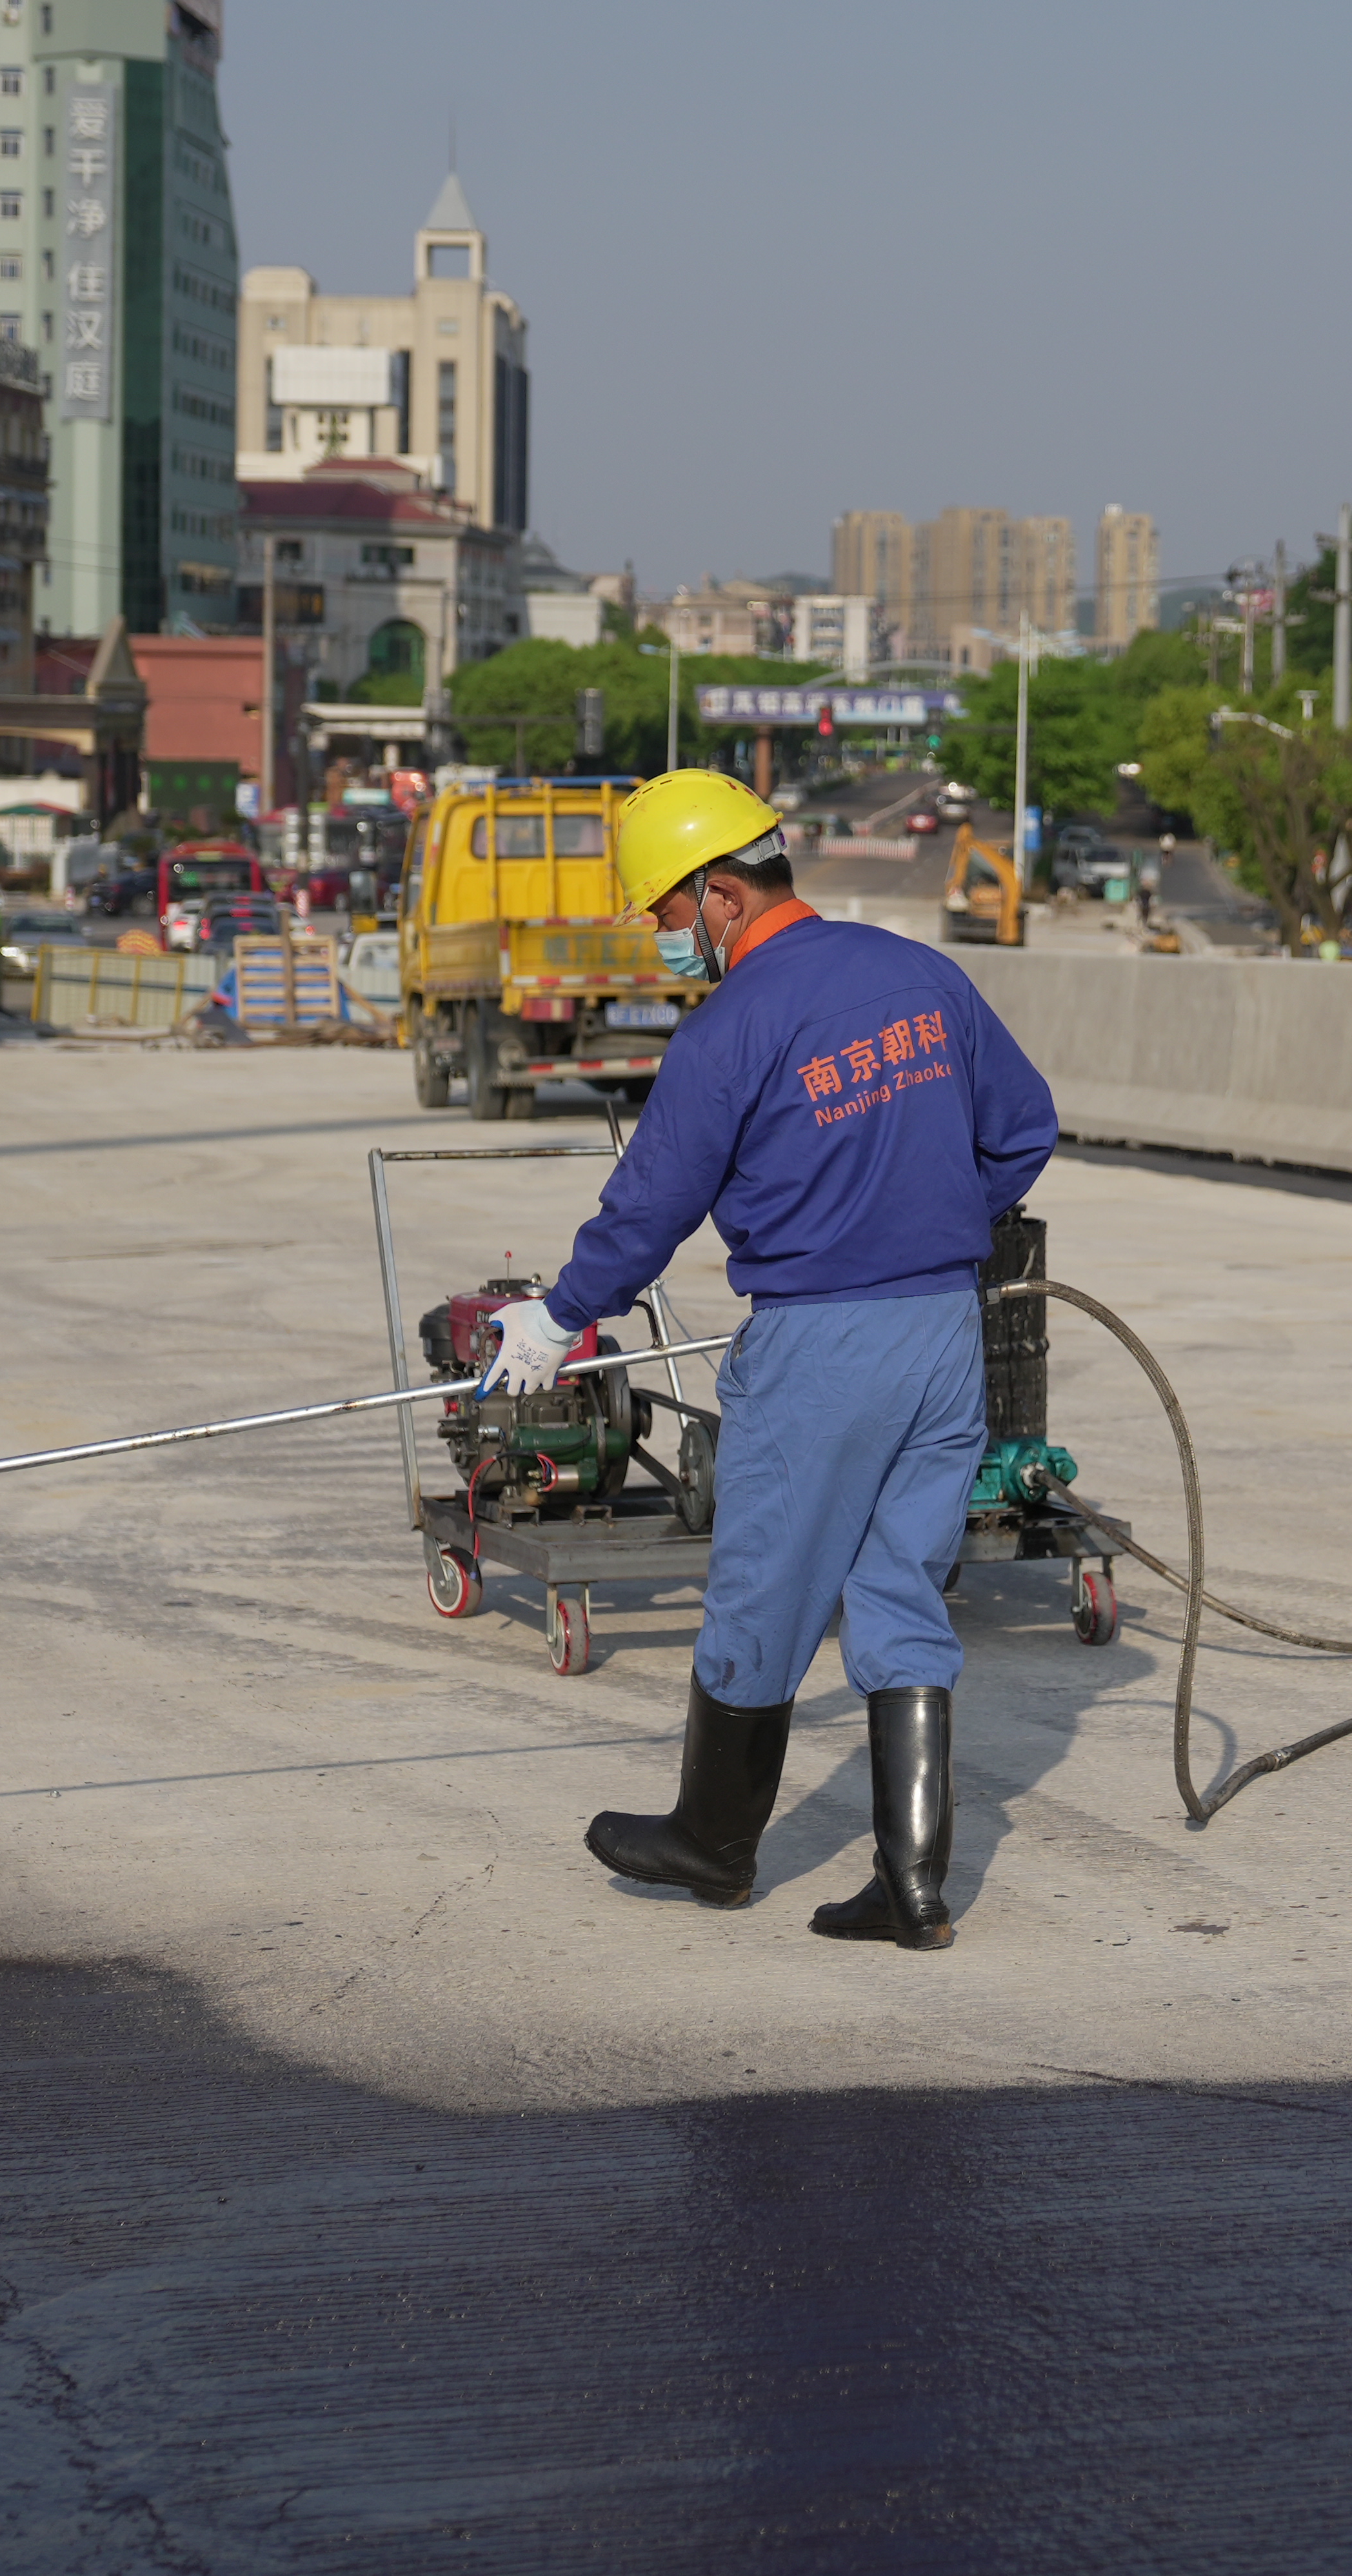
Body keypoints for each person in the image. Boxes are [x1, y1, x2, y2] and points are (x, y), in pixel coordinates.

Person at [491, 766, 1056, 1951]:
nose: (663, 939)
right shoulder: (922, 976)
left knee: (763, 1583)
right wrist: (929, 1216)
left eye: (663, 912)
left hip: (821, 1339)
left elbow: (651, 1205)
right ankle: (913, 1881)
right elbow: (1023, 1126)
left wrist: (562, 1315)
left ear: (717, 892)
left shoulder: (733, 1027)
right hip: (945, 1331)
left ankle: (712, 1840)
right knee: (900, 1585)